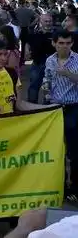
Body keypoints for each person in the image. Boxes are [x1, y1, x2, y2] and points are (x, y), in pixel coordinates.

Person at [43, 31, 78, 200]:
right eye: (61, 43)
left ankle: (75, 188)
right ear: (54, 44)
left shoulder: (77, 59)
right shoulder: (50, 60)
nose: (65, 46)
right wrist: (46, 89)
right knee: (57, 149)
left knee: (74, 150)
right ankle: (61, 186)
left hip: (73, 107)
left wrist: (67, 74)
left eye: (68, 43)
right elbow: (47, 78)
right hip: (55, 107)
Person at [26, 13, 56, 103]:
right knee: (34, 86)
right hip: (37, 63)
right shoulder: (34, 33)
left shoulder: (56, 34)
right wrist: (27, 50)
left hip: (52, 65)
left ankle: (47, 107)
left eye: (50, 21)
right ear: (40, 22)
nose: (48, 23)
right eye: (46, 21)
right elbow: (28, 42)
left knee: (49, 87)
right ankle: (32, 106)